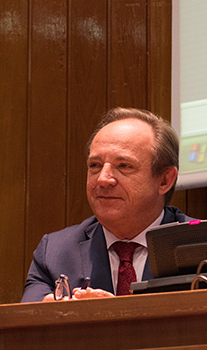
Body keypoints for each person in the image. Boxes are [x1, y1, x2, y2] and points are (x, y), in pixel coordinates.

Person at [21, 107, 195, 302]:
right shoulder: (55, 253)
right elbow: (28, 320)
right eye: (95, 165)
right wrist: (59, 311)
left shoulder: (205, 244)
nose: (103, 179)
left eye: (124, 166)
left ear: (164, 180)